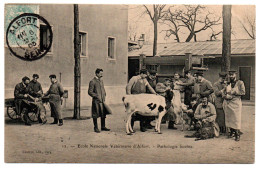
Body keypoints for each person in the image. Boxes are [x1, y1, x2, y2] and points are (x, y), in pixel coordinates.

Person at [222, 70, 245, 141]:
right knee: (229, 118)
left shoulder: (240, 83)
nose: (231, 76)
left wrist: (234, 92)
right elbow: (223, 91)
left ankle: (237, 134)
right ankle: (231, 131)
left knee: (236, 118)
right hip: (228, 102)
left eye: (232, 75)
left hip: (236, 103)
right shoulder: (227, 83)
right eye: (230, 75)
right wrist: (225, 96)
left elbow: (243, 92)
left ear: (235, 75)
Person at [88, 68, 111, 133]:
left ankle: (103, 126)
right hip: (96, 101)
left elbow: (103, 89)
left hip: (102, 101)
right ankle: (96, 127)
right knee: (95, 114)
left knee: (103, 114)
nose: (102, 75)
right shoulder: (92, 81)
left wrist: (104, 94)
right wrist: (97, 96)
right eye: (100, 74)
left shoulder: (101, 81)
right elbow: (90, 92)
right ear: (96, 73)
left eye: (102, 73)